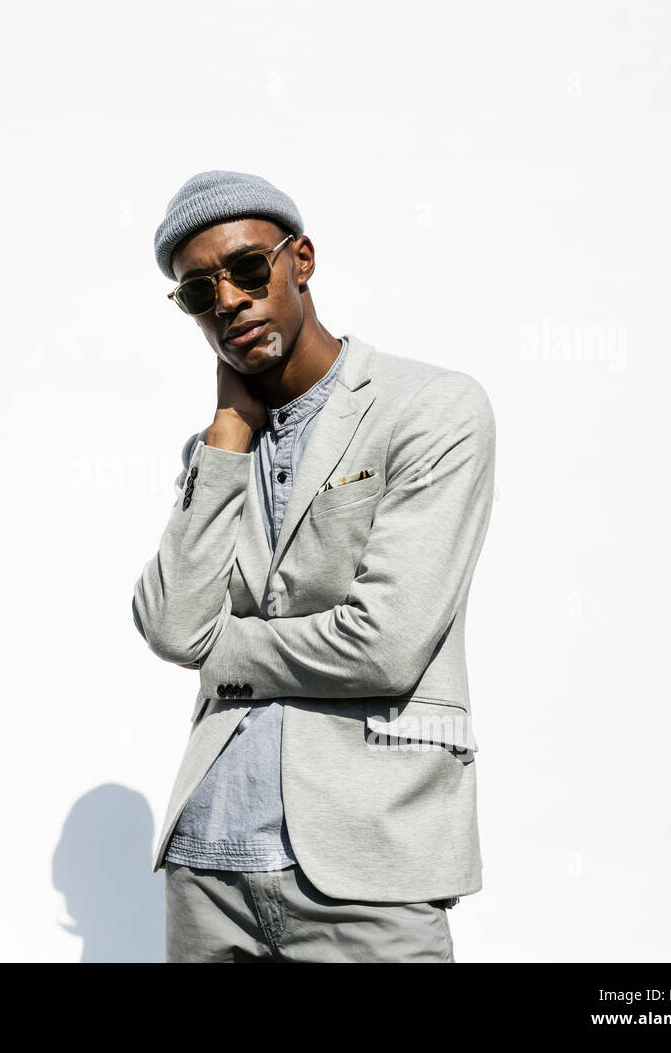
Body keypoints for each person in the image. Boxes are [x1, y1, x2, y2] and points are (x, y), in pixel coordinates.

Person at [131, 169, 496, 963]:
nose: (226, 301)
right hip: (208, 864)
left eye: (247, 270)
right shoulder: (215, 452)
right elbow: (167, 622)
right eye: (197, 294)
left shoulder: (430, 408)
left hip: (368, 868)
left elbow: (386, 644)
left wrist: (217, 653)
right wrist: (227, 441)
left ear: (301, 260)